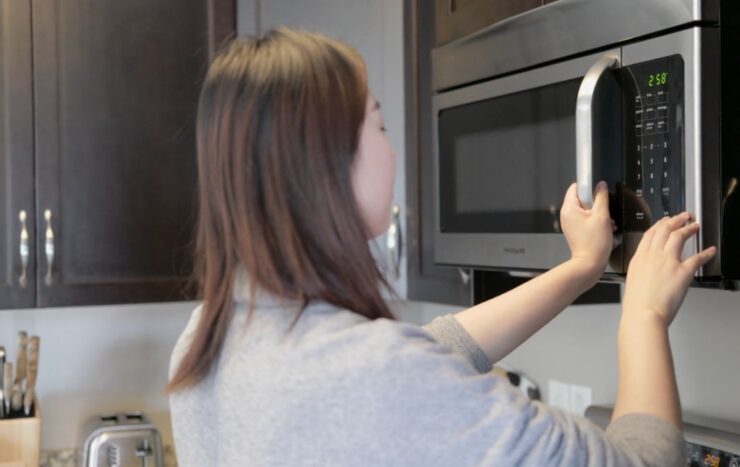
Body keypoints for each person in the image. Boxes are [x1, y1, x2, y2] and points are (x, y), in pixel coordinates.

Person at [167, 27, 717, 466]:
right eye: (377, 126)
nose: (392, 150)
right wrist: (643, 316)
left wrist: (581, 267)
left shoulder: (210, 338)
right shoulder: (382, 378)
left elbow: (429, 350)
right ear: (329, 161)